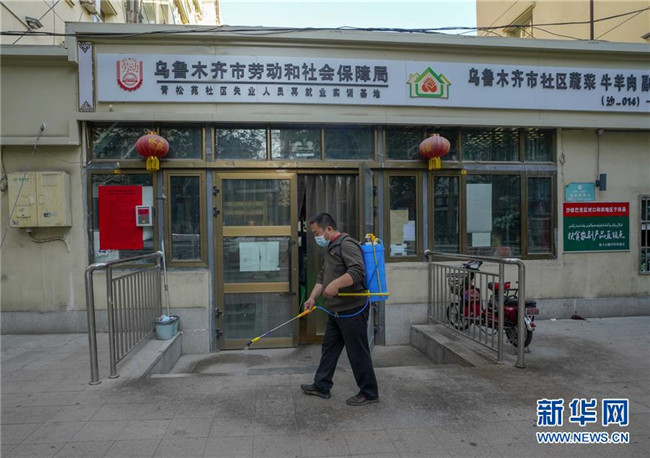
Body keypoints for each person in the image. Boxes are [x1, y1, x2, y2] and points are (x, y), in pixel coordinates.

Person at [300, 212, 379, 406]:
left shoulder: (347, 244)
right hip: (336, 311)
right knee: (329, 348)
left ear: (328, 228)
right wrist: (312, 297)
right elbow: (322, 277)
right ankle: (321, 386)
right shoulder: (331, 247)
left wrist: (335, 285)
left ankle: (369, 393)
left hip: (352, 310)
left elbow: (358, 271)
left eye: (316, 233)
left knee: (357, 352)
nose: (316, 237)